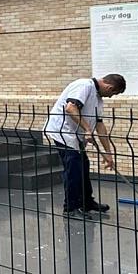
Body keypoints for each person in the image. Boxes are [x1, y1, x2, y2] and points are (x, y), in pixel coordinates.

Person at [44, 74, 126, 219]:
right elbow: (70, 108)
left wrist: (108, 153)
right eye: (113, 94)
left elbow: (100, 126)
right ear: (109, 88)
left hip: (75, 135)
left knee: (84, 165)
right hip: (62, 132)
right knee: (73, 169)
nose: (111, 97)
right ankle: (70, 208)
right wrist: (88, 129)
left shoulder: (98, 99)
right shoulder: (84, 86)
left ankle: (86, 202)